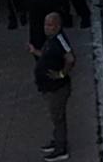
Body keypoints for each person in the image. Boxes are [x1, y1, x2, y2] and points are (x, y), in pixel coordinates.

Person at [31, 12, 74, 162]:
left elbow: (70, 58)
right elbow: (46, 55)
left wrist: (61, 74)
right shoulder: (51, 40)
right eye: (45, 24)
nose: (46, 28)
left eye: (50, 25)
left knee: (58, 118)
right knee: (55, 117)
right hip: (49, 87)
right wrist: (35, 52)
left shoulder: (60, 39)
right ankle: (57, 141)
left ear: (58, 26)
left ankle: (61, 149)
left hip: (57, 88)